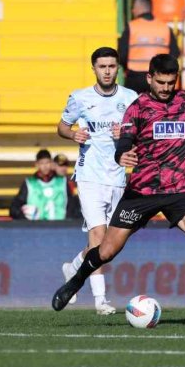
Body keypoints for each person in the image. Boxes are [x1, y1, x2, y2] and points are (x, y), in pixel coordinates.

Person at [52, 54, 185, 329]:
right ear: (149, 79)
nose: (166, 88)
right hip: (142, 192)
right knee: (106, 250)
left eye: (171, 82)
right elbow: (125, 140)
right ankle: (75, 282)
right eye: (161, 82)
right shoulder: (138, 107)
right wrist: (123, 155)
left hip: (178, 189)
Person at [56, 47, 138, 315]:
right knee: (98, 236)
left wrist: (125, 133)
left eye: (111, 66)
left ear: (118, 69)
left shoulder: (130, 98)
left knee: (110, 244)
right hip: (89, 175)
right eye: (102, 66)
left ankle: (75, 266)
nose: (106, 71)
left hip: (116, 176)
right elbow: (62, 126)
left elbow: (139, 132)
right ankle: (100, 300)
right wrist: (72, 135)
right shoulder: (80, 98)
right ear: (93, 68)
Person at [117, 0, 180, 94]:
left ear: (138, 8)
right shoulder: (165, 27)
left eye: (133, 8)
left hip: (135, 77)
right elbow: (175, 53)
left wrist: (126, 69)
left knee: (131, 106)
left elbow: (122, 54)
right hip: (159, 77)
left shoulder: (131, 26)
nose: (132, 11)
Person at [9, 149, 79, 221]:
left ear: (51, 163)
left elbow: (72, 206)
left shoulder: (63, 182)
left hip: (60, 228)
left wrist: (68, 221)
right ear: (36, 164)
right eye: (42, 163)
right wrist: (24, 219)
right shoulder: (29, 184)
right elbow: (14, 207)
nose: (45, 166)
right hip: (37, 229)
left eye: (47, 162)